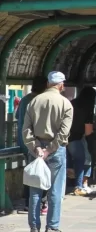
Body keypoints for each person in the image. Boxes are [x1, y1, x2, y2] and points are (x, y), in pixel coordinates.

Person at [23, 71, 73, 232]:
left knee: (35, 190)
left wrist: (36, 147)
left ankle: (34, 226)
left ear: (47, 84)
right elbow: (64, 132)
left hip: (36, 150)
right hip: (56, 150)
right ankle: (52, 226)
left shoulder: (34, 102)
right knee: (55, 191)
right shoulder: (66, 104)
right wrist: (50, 149)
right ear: (61, 85)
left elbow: (26, 129)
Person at [15, 76, 48, 213]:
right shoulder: (38, 101)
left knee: (30, 171)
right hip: (35, 142)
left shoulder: (24, 100)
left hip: (22, 140)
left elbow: (18, 117)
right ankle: (39, 203)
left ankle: (30, 202)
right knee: (40, 173)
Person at [67, 86, 96, 196]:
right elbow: (88, 131)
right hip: (76, 138)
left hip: (65, 137)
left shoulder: (72, 103)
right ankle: (79, 187)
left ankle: (73, 181)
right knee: (81, 161)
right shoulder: (88, 108)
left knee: (71, 161)